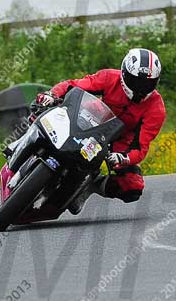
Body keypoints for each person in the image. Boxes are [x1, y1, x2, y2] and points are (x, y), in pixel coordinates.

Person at [38, 48, 166, 214]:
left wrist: (124, 158)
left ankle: (90, 186)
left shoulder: (156, 108)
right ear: (124, 74)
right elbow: (73, 85)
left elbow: (141, 147)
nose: (140, 89)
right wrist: (52, 94)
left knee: (133, 187)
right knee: (45, 110)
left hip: (120, 139)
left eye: (147, 84)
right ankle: (21, 143)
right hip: (92, 119)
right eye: (136, 82)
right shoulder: (109, 77)